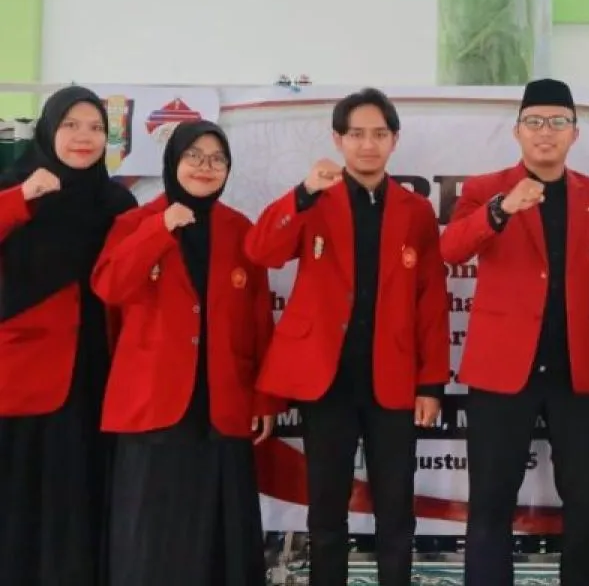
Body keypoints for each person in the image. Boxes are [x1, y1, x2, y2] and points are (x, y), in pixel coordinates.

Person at [245, 88, 449, 586]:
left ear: (395, 139)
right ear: (337, 139)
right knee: (326, 511)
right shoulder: (316, 198)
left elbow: (430, 300)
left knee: (396, 511)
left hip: (393, 379)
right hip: (327, 379)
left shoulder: (416, 210)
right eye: (356, 134)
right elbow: (263, 251)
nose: (368, 144)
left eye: (379, 134)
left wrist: (431, 383)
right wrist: (301, 193)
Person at [440, 78, 589, 586]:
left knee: (584, 499)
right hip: (502, 369)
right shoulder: (484, 189)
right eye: (535, 122)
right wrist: (500, 210)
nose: (547, 132)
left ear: (574, 133)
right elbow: (451, 249)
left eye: (558, 122)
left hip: (578, 368)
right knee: (491, 499)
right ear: (518, 131)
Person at [92, 120, 282, 586]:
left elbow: (259, 322)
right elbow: (110, 287)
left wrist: (264, 399)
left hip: (222, 404)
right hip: (152, 404)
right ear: (173, 161)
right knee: (151, 537)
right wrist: (161, 228)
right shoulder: (135, 223)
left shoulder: (240, 230)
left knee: (221, 539)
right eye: (193, 156)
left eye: (217, 159)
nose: (205, 167)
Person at [0, 85, 137, 585]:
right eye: (71, 125)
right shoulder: (15, 187)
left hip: (98, 367)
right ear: (47, 130)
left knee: (82, 487)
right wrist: (23, 198)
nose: (84, 137)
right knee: (20, 495)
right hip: (25, 373)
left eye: (96, 127)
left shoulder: (116, 201)